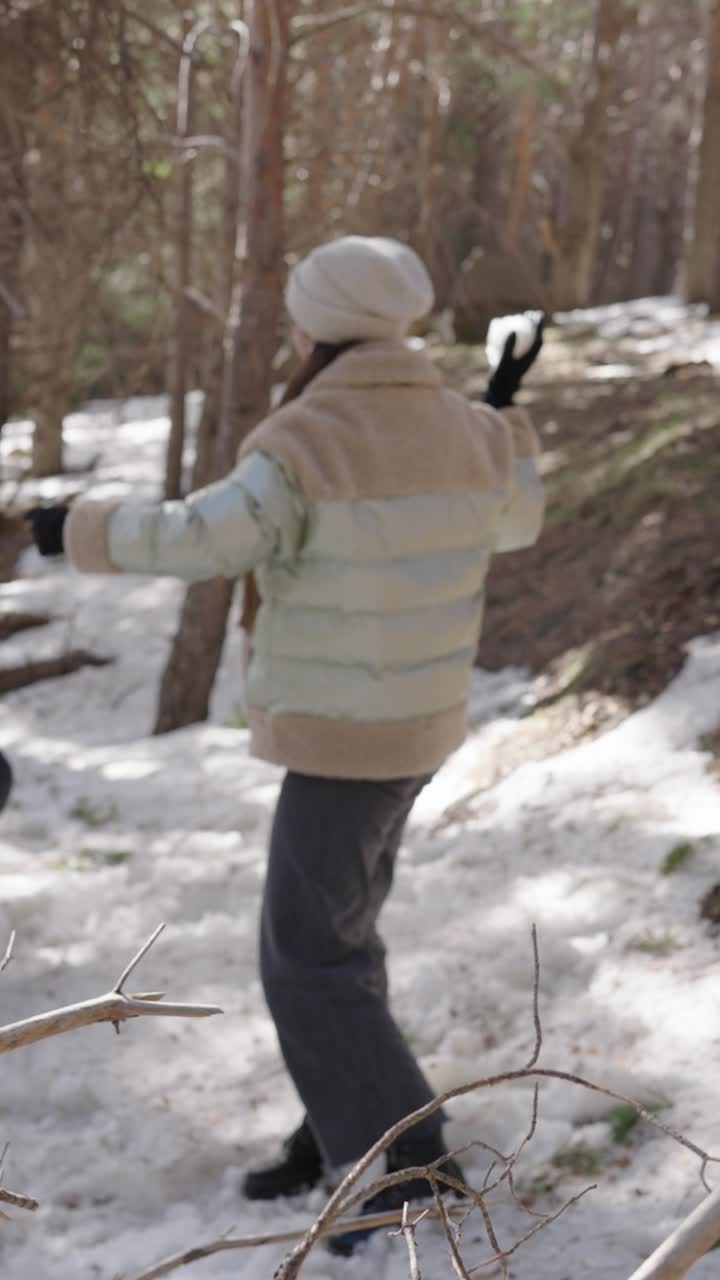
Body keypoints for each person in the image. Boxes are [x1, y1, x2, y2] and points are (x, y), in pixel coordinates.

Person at [26, 236, 544, 1251]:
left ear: (324, 325)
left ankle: (406, 1161)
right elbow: (516, 513)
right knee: (341, 936)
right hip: (417, 724)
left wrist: (73, 527)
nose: (292, 331)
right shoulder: (464, 424)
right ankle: (341, 1121)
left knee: (306, 958)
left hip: (346, 736)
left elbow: (201, 536)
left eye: (301, 314)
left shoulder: (310, 436)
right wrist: (504, 398)